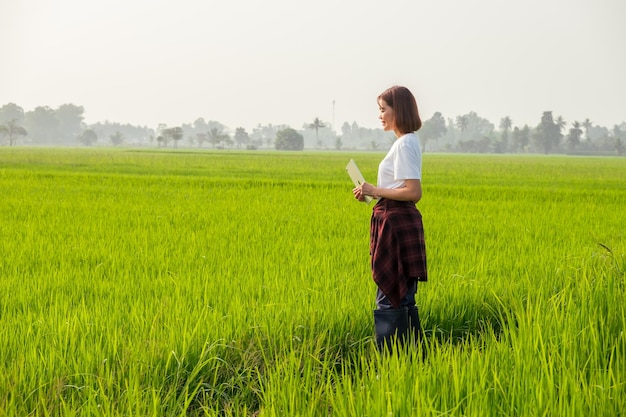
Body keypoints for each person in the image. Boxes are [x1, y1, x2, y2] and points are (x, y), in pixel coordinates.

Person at [353, 85, 427, 352]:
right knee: (402, 299)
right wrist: (371, 196)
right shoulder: (405, 142)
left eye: (384, 110)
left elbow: (412, 192)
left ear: (399, 110)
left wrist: (375, 190)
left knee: (390, 299)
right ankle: (412, 363)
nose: (380, 115)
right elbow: (398, 189)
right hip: (397, 224)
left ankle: (392, 366)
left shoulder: (405, 143)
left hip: (397, 227)